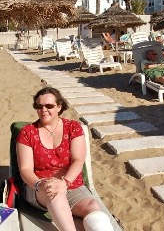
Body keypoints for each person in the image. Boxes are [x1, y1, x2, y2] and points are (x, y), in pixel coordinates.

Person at [16, 87, 114, 231]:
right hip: (39, 187)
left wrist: (65, 183)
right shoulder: (27, 133)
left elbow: (78, 159)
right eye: (39, 106)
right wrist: (39, 185)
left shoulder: (72, 127)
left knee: (92, 207)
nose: (43, 110)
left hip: (71, 184)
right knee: (55, 193)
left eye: (49, 106)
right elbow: (25, 169)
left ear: (59, 107)